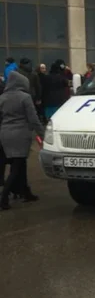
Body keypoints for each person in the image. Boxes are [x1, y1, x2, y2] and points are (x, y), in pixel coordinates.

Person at [0, 71, 44, 209]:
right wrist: (42, 134)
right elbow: (33, 118)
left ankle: (25, 191)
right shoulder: (25, 97)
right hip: (21, 134)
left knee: (19, 164)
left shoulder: (2, 97)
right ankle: (4, 196)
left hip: (5, 133)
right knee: (17, 167)